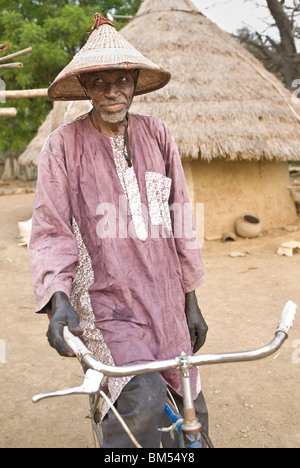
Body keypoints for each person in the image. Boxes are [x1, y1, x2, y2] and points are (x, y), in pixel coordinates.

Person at [29, 14, 209, 448]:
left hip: (165, 300)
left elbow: (181, 219)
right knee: (140, 396)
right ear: (87, 87)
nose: (113, 90)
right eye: (100, 81)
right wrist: (59, 300)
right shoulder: (62, 146)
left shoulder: (159, 135)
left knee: (191, 404)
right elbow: (51, 230)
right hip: (106, 303)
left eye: (122, 79)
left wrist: (192, 302)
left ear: (134, 82)